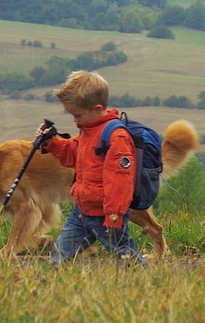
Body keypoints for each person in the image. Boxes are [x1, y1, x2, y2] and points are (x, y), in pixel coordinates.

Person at [36, 70, 139, 264]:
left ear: (98, 108)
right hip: (82, 212)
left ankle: (144, 280)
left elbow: (120, 181)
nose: (74, 120)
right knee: (59, 253)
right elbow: (72, 155)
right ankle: (50, 286)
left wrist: (114, 215)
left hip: (106, 215)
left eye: (78, 115)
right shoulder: (89, 130)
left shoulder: (116, 137)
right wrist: (51, 143)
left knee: (125, 256)